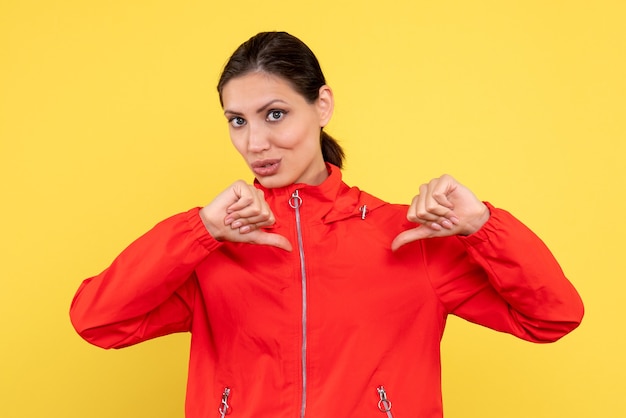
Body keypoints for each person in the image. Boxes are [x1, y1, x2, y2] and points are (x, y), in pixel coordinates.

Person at [70, 31, 584, 418]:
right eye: (237, 121)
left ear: (323, 105)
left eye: (274, 114)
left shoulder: (406, 238)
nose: (254, 143)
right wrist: (197, 232)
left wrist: (481, 226)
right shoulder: (214, 248)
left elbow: (553, 317)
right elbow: (97, 320)